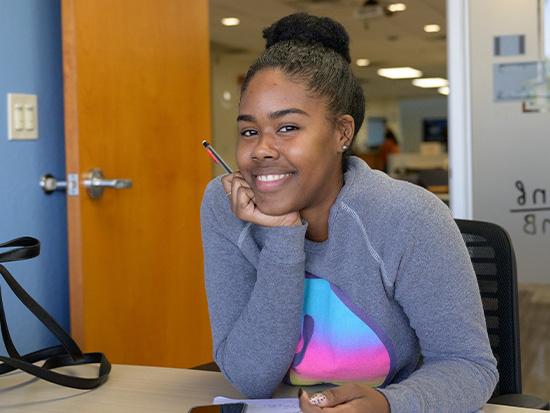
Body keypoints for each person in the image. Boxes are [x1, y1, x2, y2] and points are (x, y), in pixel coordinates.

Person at [200, 13, 497, 413]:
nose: (261, 149)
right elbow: (250, 378)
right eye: (249, 131)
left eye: (287, 127)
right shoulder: (225, 207)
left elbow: (469, 365)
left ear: (342, 133)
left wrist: (389, 405)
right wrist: (284, 234)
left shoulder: (407, 216)